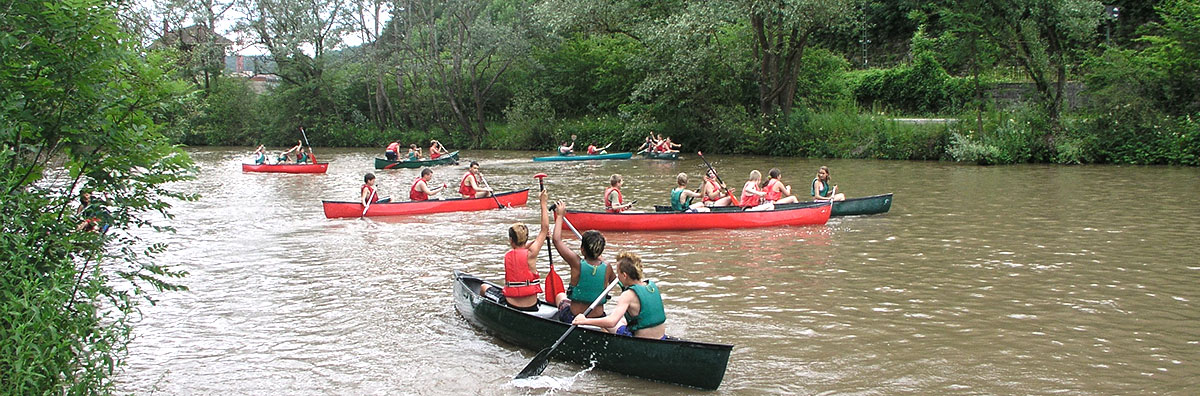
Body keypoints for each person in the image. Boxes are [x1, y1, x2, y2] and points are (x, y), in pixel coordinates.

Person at [479, 189, 550, 311]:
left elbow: (519, 251)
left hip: (511, 304)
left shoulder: (508, 255)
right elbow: (544, 228)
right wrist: (543, 203)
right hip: (532, 305)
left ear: (511, 240)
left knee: (484, 287)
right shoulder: (532, 253)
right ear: (526, 238)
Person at [572, 251, 667, 339]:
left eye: (618, 273)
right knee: (622, 321)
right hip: (660, 338)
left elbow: (611, 322)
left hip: (641, 341)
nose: (617, 277)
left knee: (604, 322)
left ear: (624, 275)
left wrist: (584, 321)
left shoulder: (628, 295)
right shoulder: (651, 286)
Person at [549, 201, 617, 323]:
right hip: (598, 318)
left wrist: (559, 216)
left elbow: (556, 240)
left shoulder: (577, 263)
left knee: (560, 296)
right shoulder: (607, 267)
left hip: (574, 317)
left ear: (582, 249)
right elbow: (614, 282)